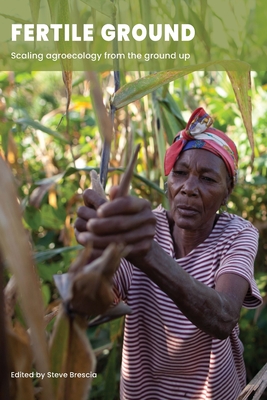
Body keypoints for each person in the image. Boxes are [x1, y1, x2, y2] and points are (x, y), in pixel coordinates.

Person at [74, 107, 263, 400]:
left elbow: (223, 318)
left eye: (208, 179)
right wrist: (95, 255)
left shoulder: (237, 234)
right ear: (168, 182)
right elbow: (88, 303)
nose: (188, 188)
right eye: (180, 173)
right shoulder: (143, 227)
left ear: (227, 192)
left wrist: (147, 254)